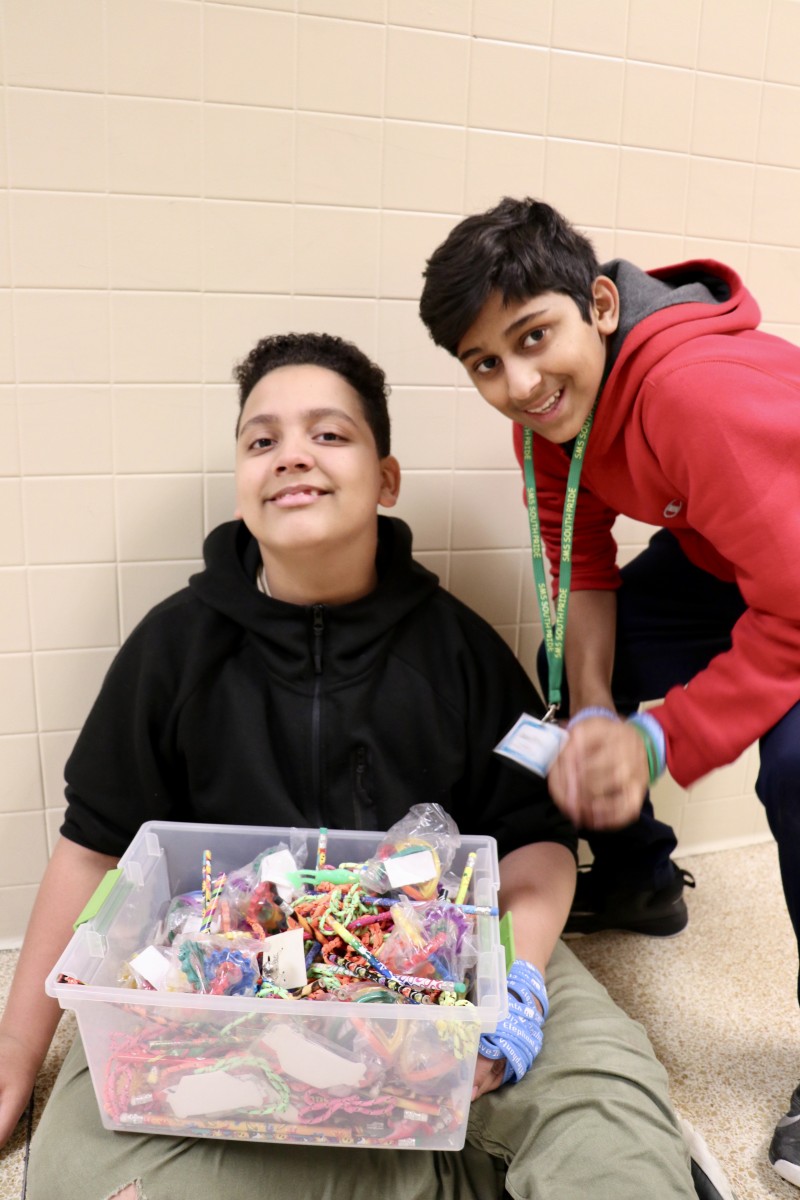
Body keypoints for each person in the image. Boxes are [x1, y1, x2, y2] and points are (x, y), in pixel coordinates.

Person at [0, 332, 703, 1200]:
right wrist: (14, 1052)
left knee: (610, 1121)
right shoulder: (172, 649)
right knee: (80, 1174)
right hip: (220, 982)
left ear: (388, 478)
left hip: (446, 960)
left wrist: (513, 985)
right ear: (242, 482)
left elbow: (535, 844)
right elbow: (92, 850)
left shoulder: (460, 649)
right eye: (262, 441)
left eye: (329, 434)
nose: (291, 454)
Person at [418, 196, 800, 1187]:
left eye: (531, 338)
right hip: (740, 554)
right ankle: (638, 879)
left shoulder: (693, 395)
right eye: (483, 363)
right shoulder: (549, 421)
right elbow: (578, 565)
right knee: (594, 682)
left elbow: (789, 618)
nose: (516, 382)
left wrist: (657, 742)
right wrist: (591, 713)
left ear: (595, 304)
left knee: (798, 775)